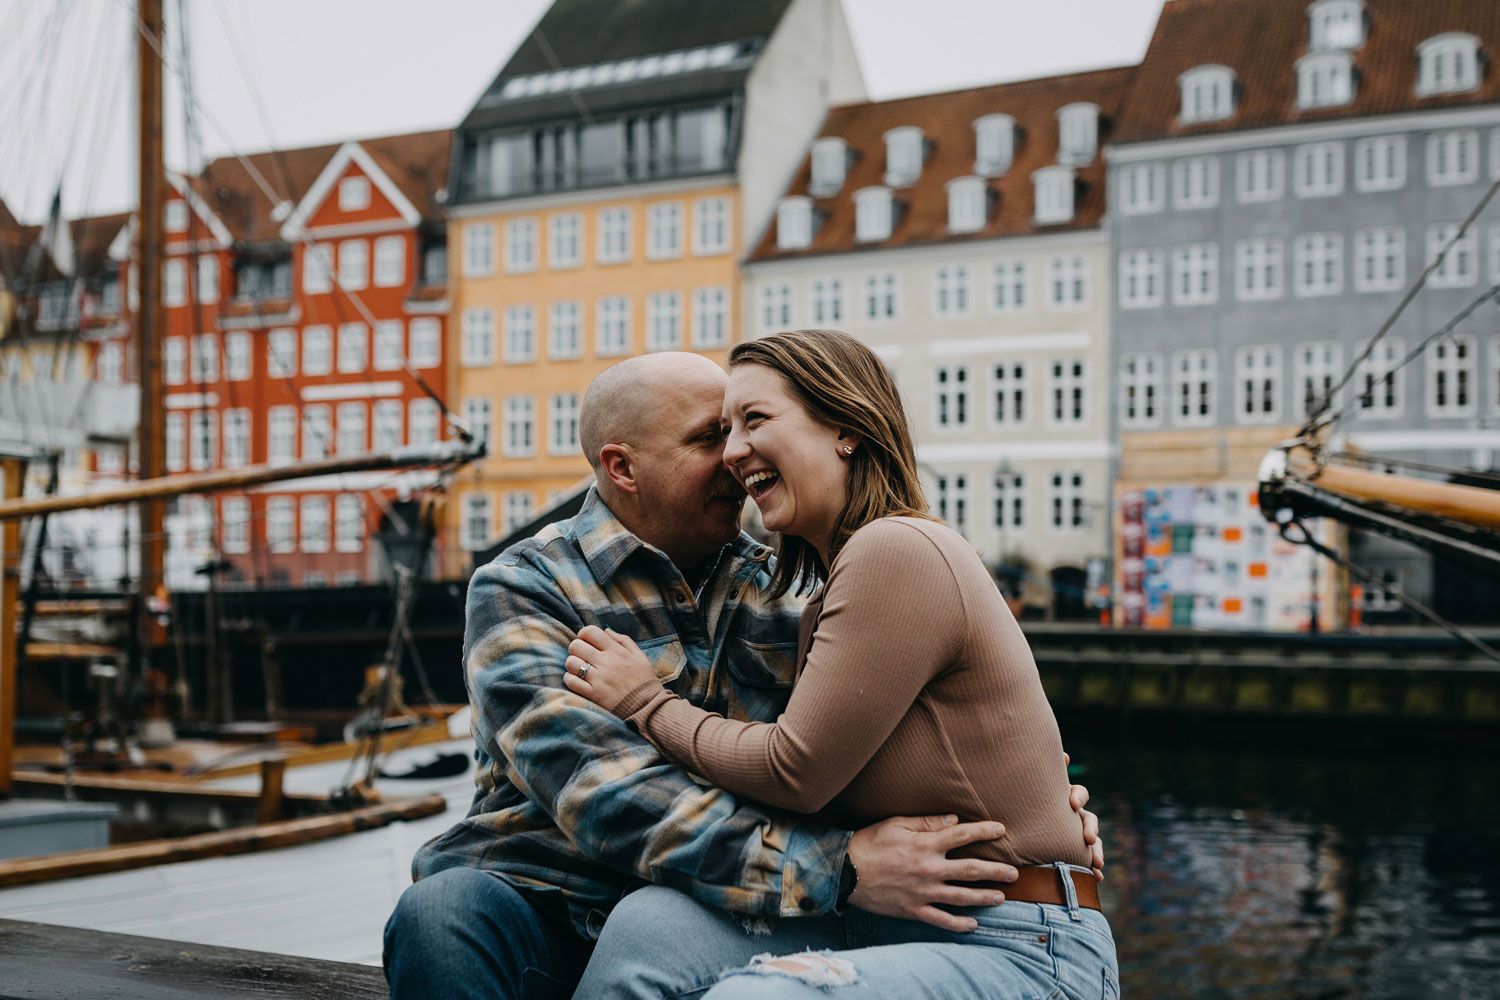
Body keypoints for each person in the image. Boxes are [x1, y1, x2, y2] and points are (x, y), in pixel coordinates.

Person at [383, 351, 1102, 1000]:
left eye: (743, 426)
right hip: (557, 903)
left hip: (726, 909)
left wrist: (1036, 800)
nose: (733, 456)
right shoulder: (524, 588)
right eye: (709, 437)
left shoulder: (788, 582)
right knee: (442, 915)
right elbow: (607, 799)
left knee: (670, 940)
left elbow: (887, 723)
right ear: (622, 467)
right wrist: (839, 869)